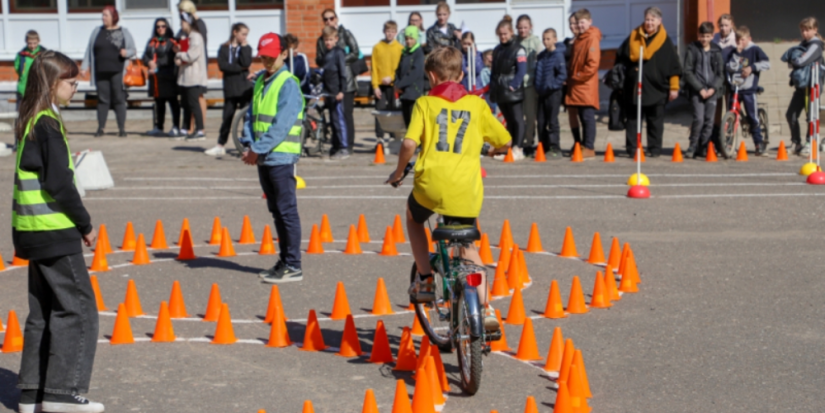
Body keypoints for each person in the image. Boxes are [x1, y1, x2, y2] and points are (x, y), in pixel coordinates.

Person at [385, 46, 510, 331]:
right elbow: (505, 141)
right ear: (462, 74)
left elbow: (408, 144)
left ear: (431, 76)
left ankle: (426, 281)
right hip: (466, 191)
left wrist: (397, 171)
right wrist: (488, 149)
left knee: (413, 216)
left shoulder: (425, 104)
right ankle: (487, 308)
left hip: (430, 187)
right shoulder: (477, 106)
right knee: (467, 246)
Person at [13, 50, 103, 413]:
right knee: (79, 310)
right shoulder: (47, 124)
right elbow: (60, 183)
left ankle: (32, 392)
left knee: (44, 311)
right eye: (70, 80)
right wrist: (85, 223)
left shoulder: (31, 119)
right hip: (54, 230)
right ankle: (62, 394)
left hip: (33, 232)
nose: (76, 85)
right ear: (52, 84)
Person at [240, 33, 304, 284]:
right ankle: (285, 260)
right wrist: (248, 144)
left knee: (286, 211)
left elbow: (281, 124)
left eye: (271, 56)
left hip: (280, 156)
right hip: (264, 155)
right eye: (263, 57)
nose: (266, 61)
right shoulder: (260, 81)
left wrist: (257, 149)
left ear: (284, 54)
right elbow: (251, 116)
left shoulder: (288, 83)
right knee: (276, 210)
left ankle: (293, 265)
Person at [617, 6, 681, 158]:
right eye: (647, 19)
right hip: (634, 87)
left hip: (657, 88)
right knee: (633, 120)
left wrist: (674, 87)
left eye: (653, 20)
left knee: (655, 121)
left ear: (660, 21)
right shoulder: (634, 36)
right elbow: (620, 58)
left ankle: (654, 149)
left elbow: (674, 66)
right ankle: (632, 148)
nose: (649, 23)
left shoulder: (665, 41)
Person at [80, 5, 136, 138]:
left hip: (118, 71)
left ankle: (122, 128)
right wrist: (84, 66)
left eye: (106, 15)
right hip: (101, 71)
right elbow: (89, 50)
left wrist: (126, 52)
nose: (103, 18)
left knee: (118, 99)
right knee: (102, 100)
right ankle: (101, 128)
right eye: (102, 15)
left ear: (113, 17)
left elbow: (133, 50)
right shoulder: (96, 31)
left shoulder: (124, 32)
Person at [315, 9, 359, 154]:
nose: (329, 21)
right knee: (333, 116)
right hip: (330, 83)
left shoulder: (345, 34)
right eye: (325, 19)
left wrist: (337, 61)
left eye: (331, 18)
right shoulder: (322, 40)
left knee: (345, 115)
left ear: (336, 18)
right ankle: (337, 145)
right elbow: (319, 59)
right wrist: (326, 62)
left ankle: (348, 146)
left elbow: (355, 52)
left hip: (346, 81)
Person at [206, 23, 252, 156]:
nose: (245, 37)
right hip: (230, 88)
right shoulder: (224, 48)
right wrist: (239, 68)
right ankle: (220, 144)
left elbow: (246, 63)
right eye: (243, 34)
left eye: (246, 34)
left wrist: (244, 49)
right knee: (227, 117)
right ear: (235, 32)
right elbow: (223, 66)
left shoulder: (247, 48)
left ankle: (247, 145)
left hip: (244, 88)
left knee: (246, 118)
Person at [726, 26, 770, 156]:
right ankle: (728, 142)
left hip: (749, 89)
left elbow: (767, 63)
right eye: (737, 39)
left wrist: (752, 67)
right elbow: (729, 67)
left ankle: (758, 143)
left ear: (749, 39)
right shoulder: (734, 52)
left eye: (743, 40)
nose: (740, 42)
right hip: (735, 88)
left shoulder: (755, 49)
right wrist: (736, 54)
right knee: (731, 114)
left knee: (752, 116)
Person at [683, 22, 725, 158]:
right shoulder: (692, 49)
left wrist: (713, 88)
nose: (704, 39)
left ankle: (704, 146)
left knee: (709, 120)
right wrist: (700, 89)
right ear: (698, 35)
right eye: (702, 36)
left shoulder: (716, 50)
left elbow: (720, 74)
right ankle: (692, 145)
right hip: (697, 91)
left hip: (712, 92)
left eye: (707, 36)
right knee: (699, 119)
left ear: (712, 36)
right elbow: (688, 71)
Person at [565, 9, 601, 159]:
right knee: (581, 116)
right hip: (577, 85)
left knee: (587, 116)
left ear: (589, 22)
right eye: (578, 22)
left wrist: (578, 76)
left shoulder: (591, 38)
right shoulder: (581, 38)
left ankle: (589, 146)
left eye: (582, 22)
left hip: (585, 85)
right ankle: (584, 145)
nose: (580, 25)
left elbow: (592, 64)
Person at [784, 17, 823, 156]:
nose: (804, 33)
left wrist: (795, 60)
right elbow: (793, 61)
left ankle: (810, 142)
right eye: (802, 30)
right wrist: (795, 61)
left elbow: (801, 60)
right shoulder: (803, 44)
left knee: (811, 116)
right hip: (801, 86)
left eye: (807, 30)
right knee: (791, 114)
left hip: (812, 85)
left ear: (815, 30)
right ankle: (796, 142)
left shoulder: (816, 45)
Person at [491, 15, 527, 160]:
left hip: (513, 91)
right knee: (509, 120)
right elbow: (494, 71)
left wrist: (513, 86)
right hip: (500, 91)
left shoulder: (519, 49)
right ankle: (511, 149)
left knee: (518, 119)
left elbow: (521, 70)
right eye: (500, 34)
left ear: (512, 32)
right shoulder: (497, 50)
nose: (503, 37)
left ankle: (518, 148)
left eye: (505, 34)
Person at [143, 18, 181, 138]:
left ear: (167, 27)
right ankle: (159, 126)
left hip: (169, 75)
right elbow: (145, 55)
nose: (161, 28)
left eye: (163, 26)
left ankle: (175, 126)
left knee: (173, 102)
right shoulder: (151, 41)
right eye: (158, 26)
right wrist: (149, 62)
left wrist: (157, 64)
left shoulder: (172, 41)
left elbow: (170, 57)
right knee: (159, 103)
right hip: (156, 77)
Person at [175, 11, 208, 141]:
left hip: (194, 77)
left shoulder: (196, 36)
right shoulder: (187, 36)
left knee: (194, 104)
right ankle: (185, 128)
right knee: (186, 104)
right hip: (185, 77)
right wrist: (178, 57)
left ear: (188, 22)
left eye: (182, 22)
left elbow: (191, 55)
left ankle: (200, 130)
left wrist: (179, 54)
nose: (181, 24)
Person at [535, 28, 567, 159]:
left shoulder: (558, 55)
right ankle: (543, 146)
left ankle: (555, 148)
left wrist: (552, 85)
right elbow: (538, 72)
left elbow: (562, 74)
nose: (545, 41)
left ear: (555, 39)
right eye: (544, 39)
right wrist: (537, 86)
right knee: (541, 121)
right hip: (541, 93)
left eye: (548, 39)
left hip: (553, 93)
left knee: (552, 121)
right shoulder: (542, 55)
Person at [372, 20, 404, 150]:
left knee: (393, 110)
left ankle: (393, 137)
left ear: (396, 33)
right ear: (384, 31)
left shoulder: (400, 48)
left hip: (394, 84)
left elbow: (400, 68)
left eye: (392, 32)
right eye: (387, 31)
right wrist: (375, 86)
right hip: (380, 86)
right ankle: (379, 138)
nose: (390, 34)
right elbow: (374, 68)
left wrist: (391, 78)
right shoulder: (377, 47)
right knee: (380, 110)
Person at [321, 26, 350, 160]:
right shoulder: (326, 54)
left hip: (337, 93)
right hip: (329, 94)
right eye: (326, 40)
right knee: (333, 122)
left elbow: (342, 74)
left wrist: (341, 91)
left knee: (339, 121)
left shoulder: (338, 53)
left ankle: (344, 148)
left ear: (336, 40)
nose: (328, 42)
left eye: (330, 39)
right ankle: (336, 146)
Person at [517, 15, 541, 157]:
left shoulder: (535, 41)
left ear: (530, 27)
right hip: (518, 84)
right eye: (520, 27)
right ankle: (519, 141)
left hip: (530, 83)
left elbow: (542, 58)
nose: (522, 30)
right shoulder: (515, 41)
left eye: (525, 27)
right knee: (518, 116)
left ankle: (529, 142)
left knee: (530, 115)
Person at [711, 14, 736, 148]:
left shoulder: (736, 39)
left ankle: (729, 137)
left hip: (731, 78)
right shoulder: (714, 39)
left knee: (730, 107)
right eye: (721, 25)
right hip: (717, 77)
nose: (723, 28)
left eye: (726, 25)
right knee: (717, 107)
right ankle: (715, 137)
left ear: (731, 25)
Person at [395, 26, 427, 127]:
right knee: (407, 124)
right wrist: (396, 84)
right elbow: (398, 70)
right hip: (404, 94)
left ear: (416, 38)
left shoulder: (418, 53)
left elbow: (415, 72)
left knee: (414, 125)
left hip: (414, 93)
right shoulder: (405, 53)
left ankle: (417, 143)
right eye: (406, 38)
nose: (408, 41)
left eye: (411, 38)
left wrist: (400, 85)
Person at [563, 13, 581, 151]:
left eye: (575, 23)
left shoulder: (585, 40)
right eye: (570, 23)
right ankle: (577, 142)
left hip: (581, 82)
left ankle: (586, 143)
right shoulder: (565, 42)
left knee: (585, 115)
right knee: (572, 113)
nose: (572, 26)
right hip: (567, 83)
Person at [14, 31, 46, 108]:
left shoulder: (44, 54)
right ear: (26, 42)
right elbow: (17, 68)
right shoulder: (21, 55)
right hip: (23, 89)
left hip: (39, 88)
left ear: (39, 41)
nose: (32, 46)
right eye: (30, 43)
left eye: (34, 43)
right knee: (21, 114)